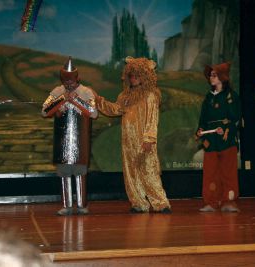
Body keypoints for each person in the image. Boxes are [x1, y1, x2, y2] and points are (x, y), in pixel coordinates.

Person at [94, 57, 171, 214]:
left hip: (144, 141)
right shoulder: (125, 96)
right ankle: (139, 203)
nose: (134, 78)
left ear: (145, 76)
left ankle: (160, 203)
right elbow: (114, 109)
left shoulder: (151, 95)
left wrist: (149, 139)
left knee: (149, 171)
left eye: (137, 75)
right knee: (131, 173)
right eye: (131, 75)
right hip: (128, 142)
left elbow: (152, 118)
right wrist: (97, 100)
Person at [42, 57, 97, 216]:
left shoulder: (86, 92)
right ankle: (66, 205)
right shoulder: (56, 92)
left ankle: (81, 205)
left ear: (77, 78)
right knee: (64, 171)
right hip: (63, 138)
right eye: (66, 82)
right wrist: (61, 100)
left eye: (71, 81)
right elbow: (44, 111)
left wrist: (77, 100)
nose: (68, 84)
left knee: (80, 171)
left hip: (81, 139)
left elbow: (93, 113)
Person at [196, 62, 241, 212]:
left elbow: (236, 119)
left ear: (222, 77)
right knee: (210, 172)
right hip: (210, 141)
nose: (211, 78)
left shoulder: (231, 97)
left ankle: (229, 201)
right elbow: (203, 119)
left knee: (228, 171)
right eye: (210, 75)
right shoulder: (208, 98)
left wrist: (226, 129)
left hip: (227, 140)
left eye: (214, 75)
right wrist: (200, 130)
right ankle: (211, 202)